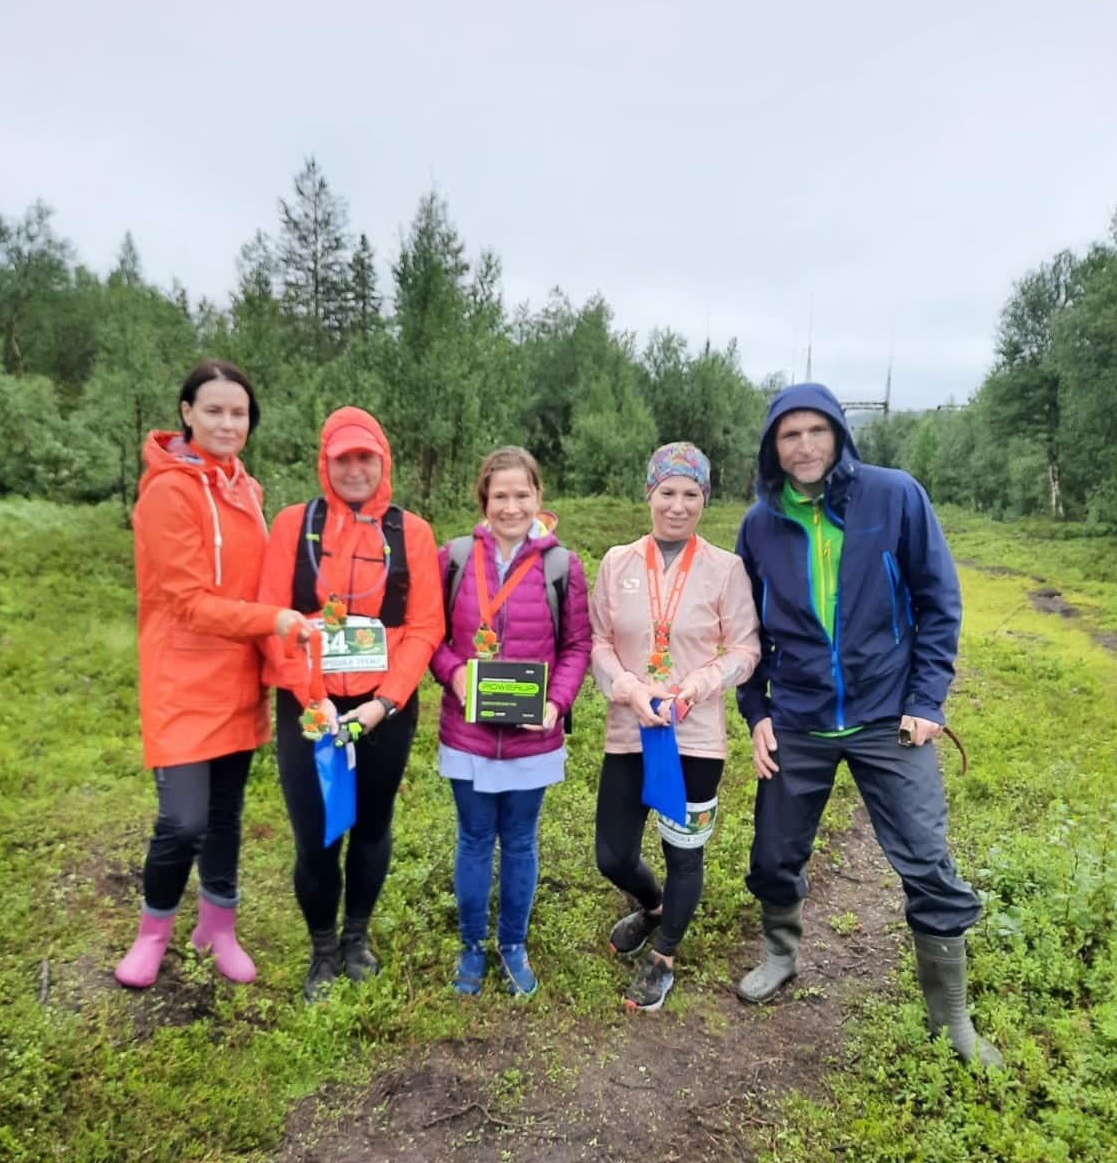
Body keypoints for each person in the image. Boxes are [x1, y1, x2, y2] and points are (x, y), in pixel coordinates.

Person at [734, 382, 1001, 1066]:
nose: (804, 446)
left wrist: (928, 700)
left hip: (889, 714)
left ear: (839, 434)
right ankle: (780, 954)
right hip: (798, 716)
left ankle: (951, 1018)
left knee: (927, 859)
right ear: (772, 447)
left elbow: (938, 602)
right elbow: (745, 631)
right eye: (789, 435)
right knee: (773, 854)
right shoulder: (760, 524)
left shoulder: (895, 496)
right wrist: (757, 712)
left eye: (816, 431)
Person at [116, 361, 310, 990]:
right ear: (187, 413)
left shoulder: (245, 490)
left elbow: (263, 579)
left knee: (225, 812)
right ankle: (153, 934)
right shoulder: (168, 492)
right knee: (183, 820)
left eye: (239, 413)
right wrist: (274, 620)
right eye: (214, 411)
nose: (228, 423)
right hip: (181, 678)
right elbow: (188, 603)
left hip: (239, 676)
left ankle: (217, 928)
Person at [259, 407, 443, 1001]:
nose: (356, 469)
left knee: (370, 826)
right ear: (326, 462)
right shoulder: (294, 525)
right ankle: (321, 951)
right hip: (308, 708)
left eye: (367, 457)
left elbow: (426, 626)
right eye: (344, 459)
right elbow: (272, 619)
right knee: (316, 835)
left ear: (383, 461)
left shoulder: (411, 533)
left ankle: (355, 938)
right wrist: (312, 699)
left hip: (382, 710)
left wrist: (386, 702)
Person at [590, 443, 760, 1011]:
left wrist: (700, 684)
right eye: (667, 492)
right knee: (612, 854)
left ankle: (663, 955)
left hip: (694, 736)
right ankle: (654, 905)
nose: (678, 506)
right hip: (631, 728)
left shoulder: (725, 569)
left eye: (692, 494)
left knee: (683, 853)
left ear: (705, 499)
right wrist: (629, 688)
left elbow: (745, 649)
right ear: (649, 493)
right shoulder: (616, 563)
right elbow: (599, 643)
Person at [430, 447, 592, 997]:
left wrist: (556, 703)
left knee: (520, 843)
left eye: (522, 494)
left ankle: (513, 944)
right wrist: (454, 673)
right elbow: (430, 637)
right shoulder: (453, 558)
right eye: (500, 495)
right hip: (468, 734)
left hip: (531, 739)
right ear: (484, 499)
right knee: (474, 839)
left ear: (539, 497)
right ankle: (472, 947)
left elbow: (577, 646)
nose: (511, 506)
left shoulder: (561, 566)